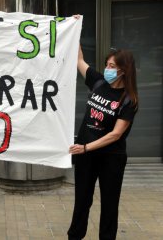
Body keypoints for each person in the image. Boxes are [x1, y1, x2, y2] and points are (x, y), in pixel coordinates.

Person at [67, 41, 139, 239]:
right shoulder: (98, 82)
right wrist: (75, 29)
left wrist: (86, 147)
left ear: (124, 70)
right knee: (82, 200)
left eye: (112, 66)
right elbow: (79, 60)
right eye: (107, 65)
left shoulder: (128, 99)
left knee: (109, 204)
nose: (107, 69)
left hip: (111, 158)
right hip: (86, 156)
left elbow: (116, 134)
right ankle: (74, 236)